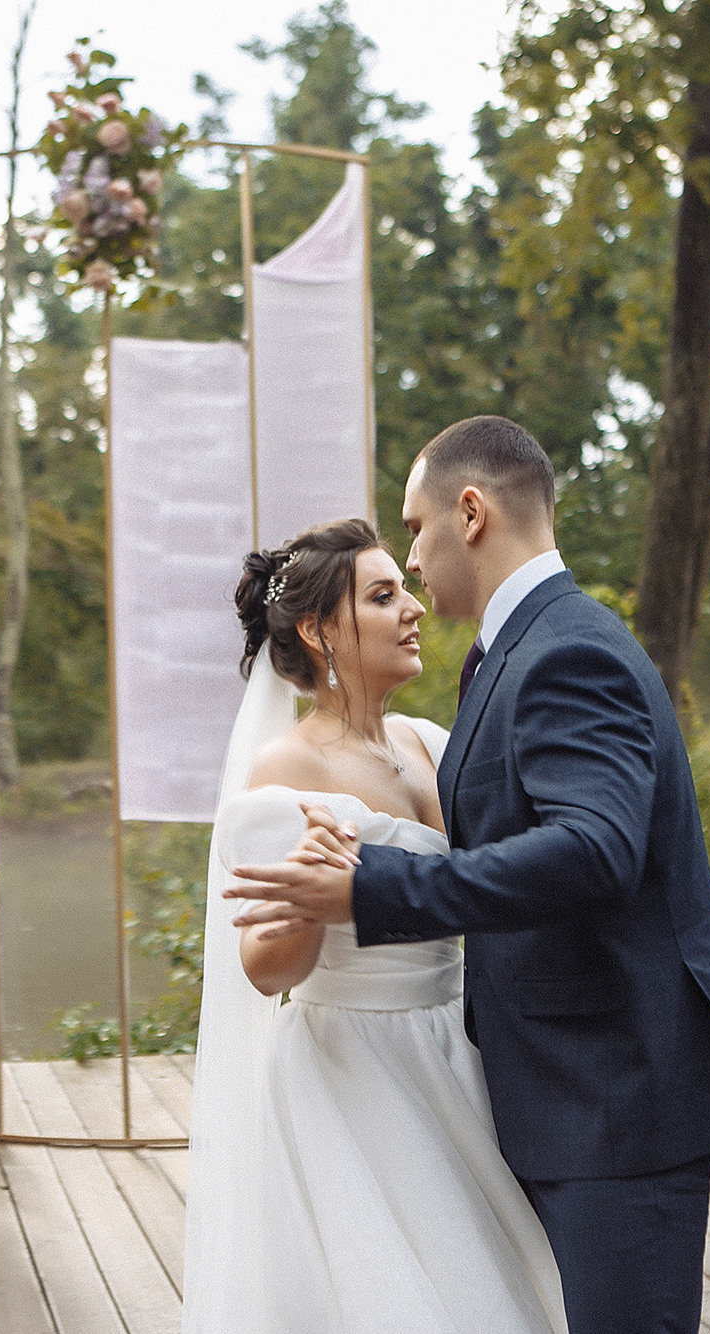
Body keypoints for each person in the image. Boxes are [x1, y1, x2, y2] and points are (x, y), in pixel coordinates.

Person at [228, 416, 710, 1334]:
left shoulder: (560, 650)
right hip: (508, 1091)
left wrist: (372, 889)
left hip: (611, 1096)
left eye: (414, 529)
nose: (413, 565)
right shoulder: (515, 653)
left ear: (471, 511)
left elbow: (595, 850)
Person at [182, 516, 569, 1334]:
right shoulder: (291, 768)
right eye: (383, 596)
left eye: (404, 590)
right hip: (354, 1070)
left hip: (457, 1052)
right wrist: (320, 894)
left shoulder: (429, 744)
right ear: (320, 630)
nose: (413, 609)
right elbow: (266, 969)